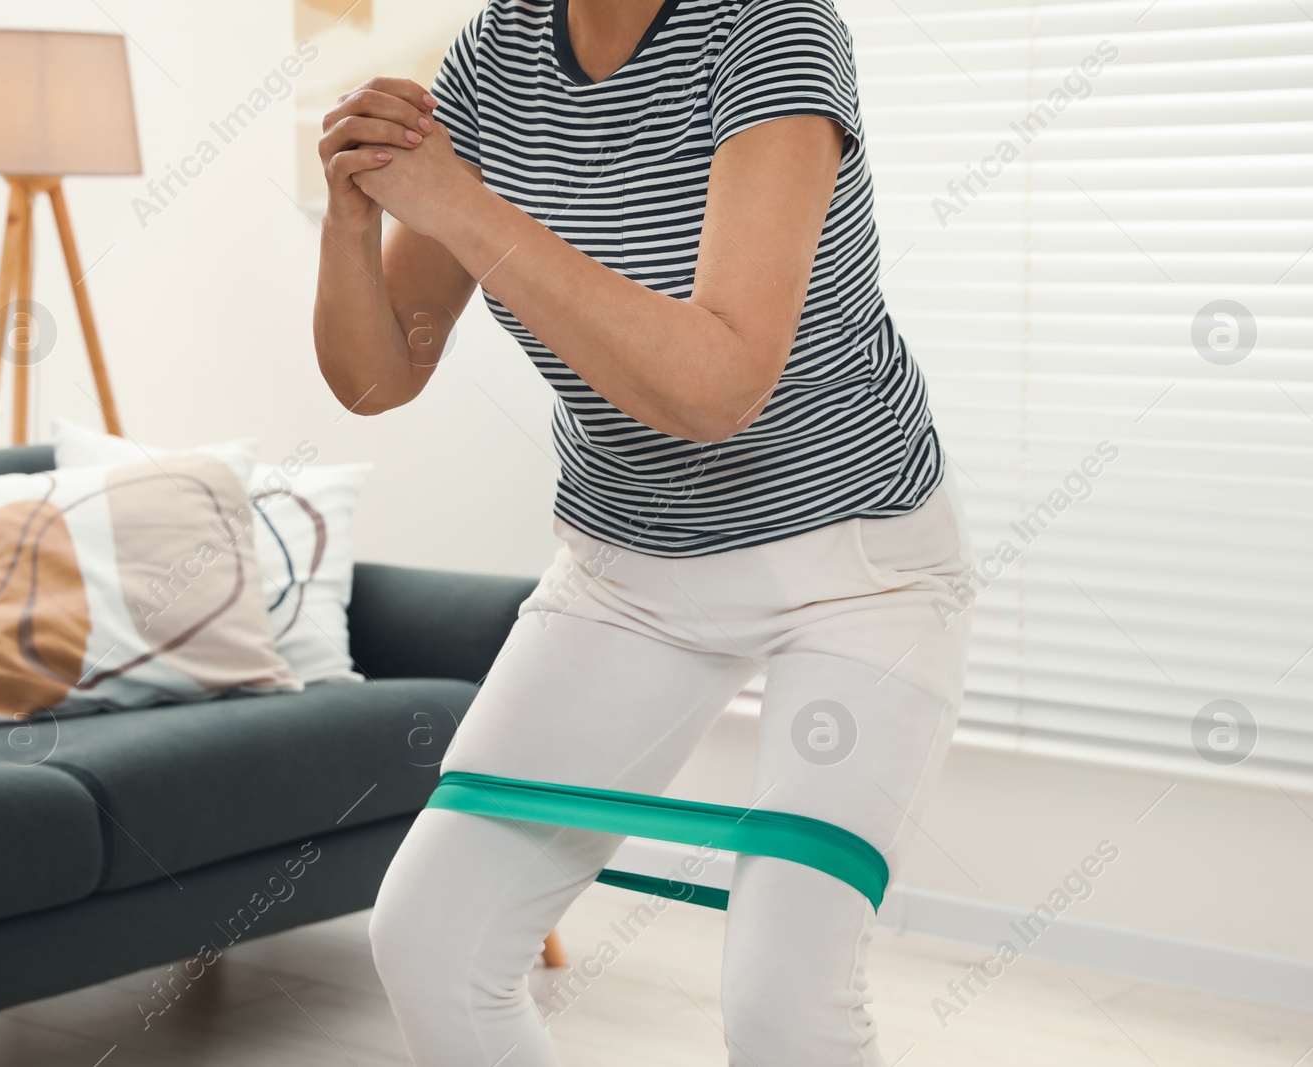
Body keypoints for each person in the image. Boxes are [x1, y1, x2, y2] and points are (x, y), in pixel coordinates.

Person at [312, 1, 974, 1062]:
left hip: (855, 568)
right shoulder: (499, 50)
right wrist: (353, 211)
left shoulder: (775, 29)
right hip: (625, 569)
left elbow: (717, 388)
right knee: (433, 938)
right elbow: (379, 374)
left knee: (782, 1001)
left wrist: (459, 205)